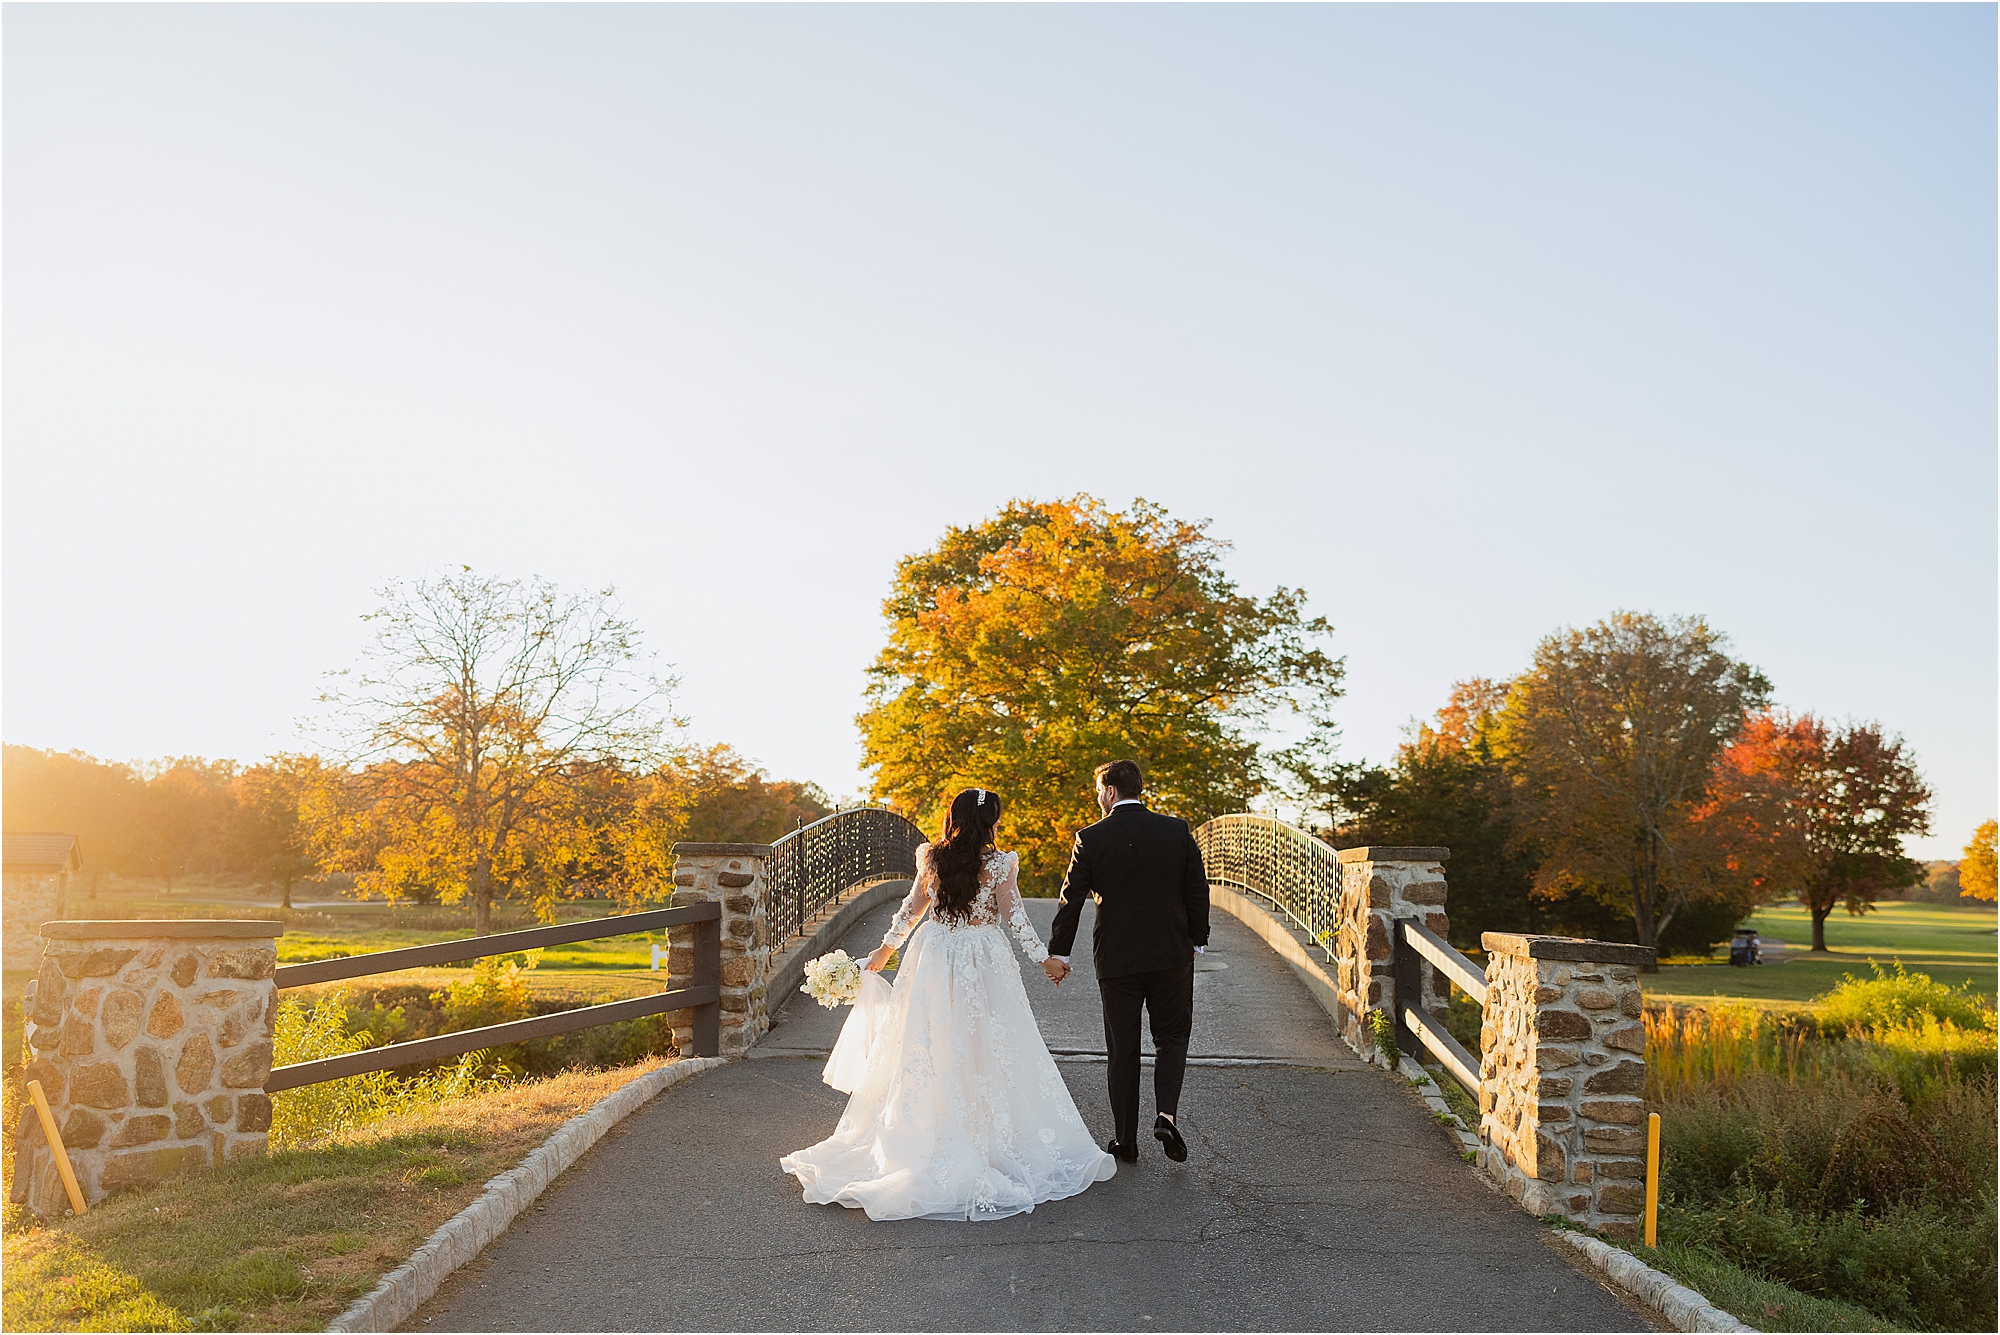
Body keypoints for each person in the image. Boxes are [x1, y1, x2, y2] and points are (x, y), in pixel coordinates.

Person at [778, 787, 1117, 1221]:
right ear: (988, 822)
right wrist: (1044, 959)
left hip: (934, 954)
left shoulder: (931, 857)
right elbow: (1014, 917)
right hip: (984, 957)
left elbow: (913, 908)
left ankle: (930, 1132)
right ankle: (985, 1136)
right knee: (990, 1044)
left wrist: (884, 951)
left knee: (928, 1042)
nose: (998, 825)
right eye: (996, 818)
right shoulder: (999, 863)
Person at [1046, 759, 1210, 1164]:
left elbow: (1072, 900)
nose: (1098, 797)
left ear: (1110, 791)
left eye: (1098, 790)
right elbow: (1197, 889)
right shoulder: (1176, 830)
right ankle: (1166, 1115)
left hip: (1117, 960)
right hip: (1172, 954)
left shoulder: (1090, 837)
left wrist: (1059, 953)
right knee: (1172, 1038)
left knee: (1123, 1049)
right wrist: (1198, 941)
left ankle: (1125, 1141)